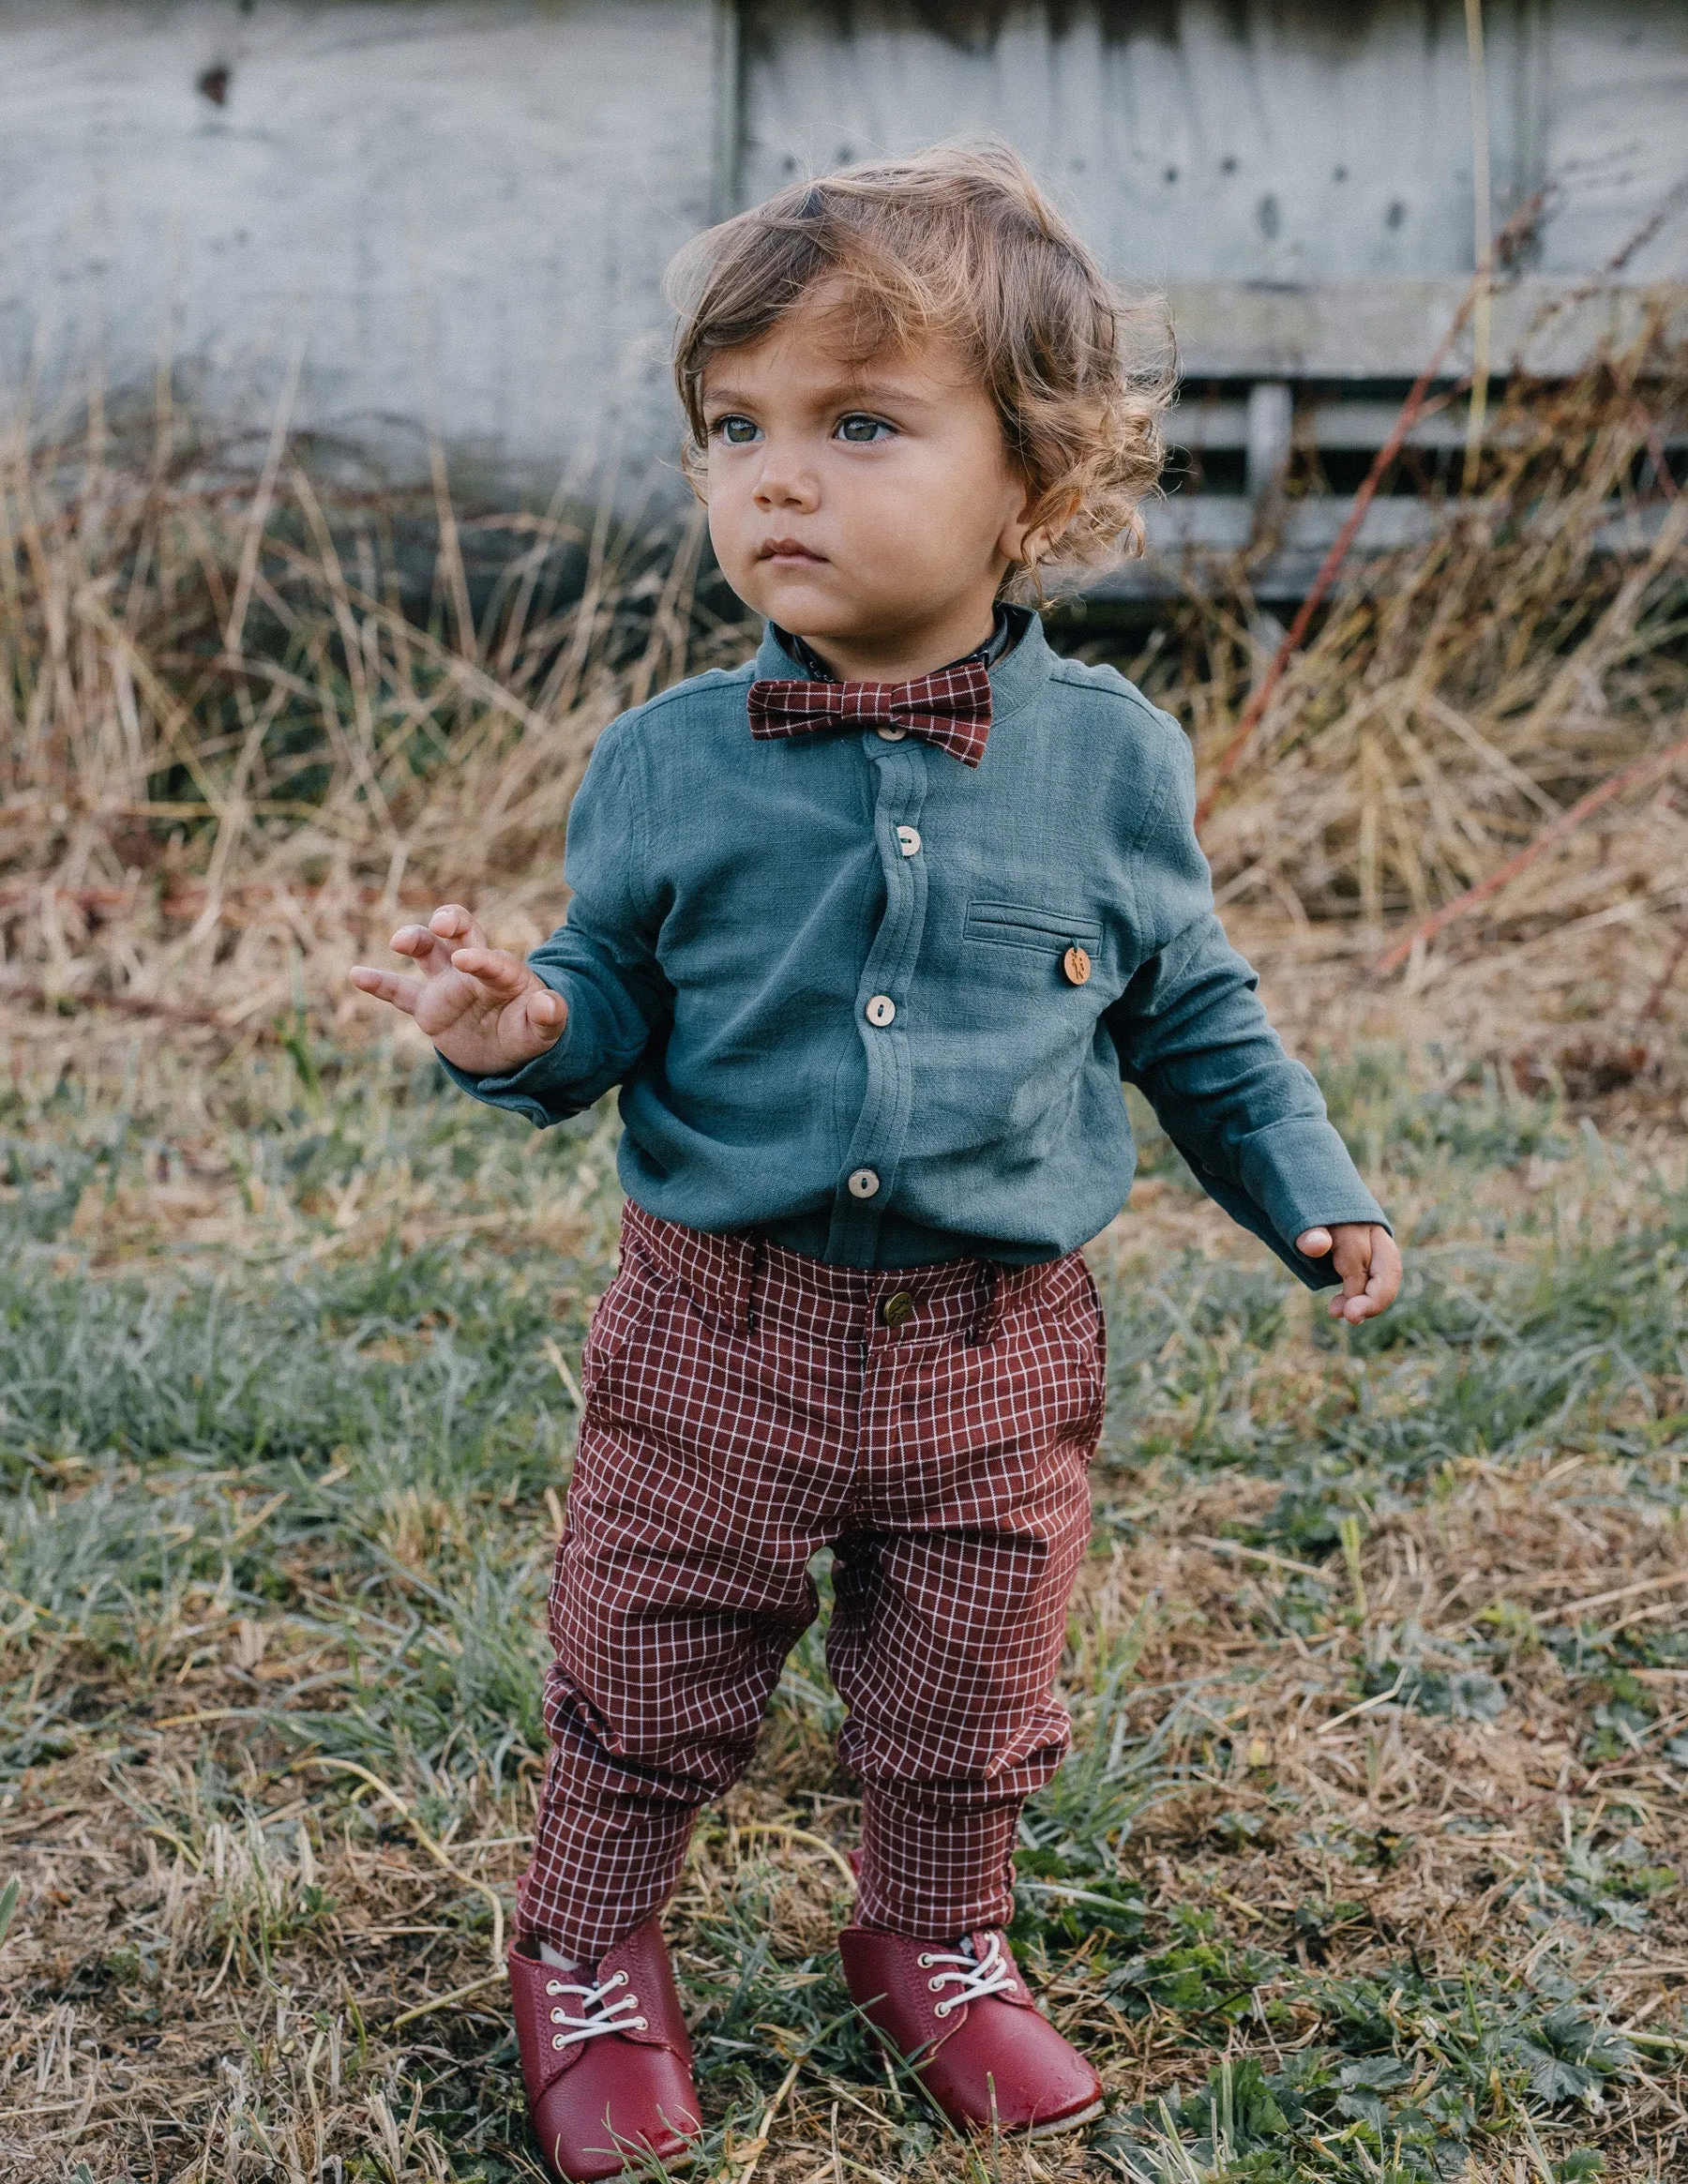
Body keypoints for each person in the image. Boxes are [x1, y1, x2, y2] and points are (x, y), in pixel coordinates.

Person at [351, 143, 1400, 2182]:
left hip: (997, 1343)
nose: (779, 480)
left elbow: (1189, 1004)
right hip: (715, 1332)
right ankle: (586, 1947)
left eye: (857, 424)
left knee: (968, 1686)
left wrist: (1309, 1182)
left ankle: (931, 1932)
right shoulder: (664, 759)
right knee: (648, 1657)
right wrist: (525, 1026)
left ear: (1038, 482)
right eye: (735, 429)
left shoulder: (1112, 761)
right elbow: (612, 992)